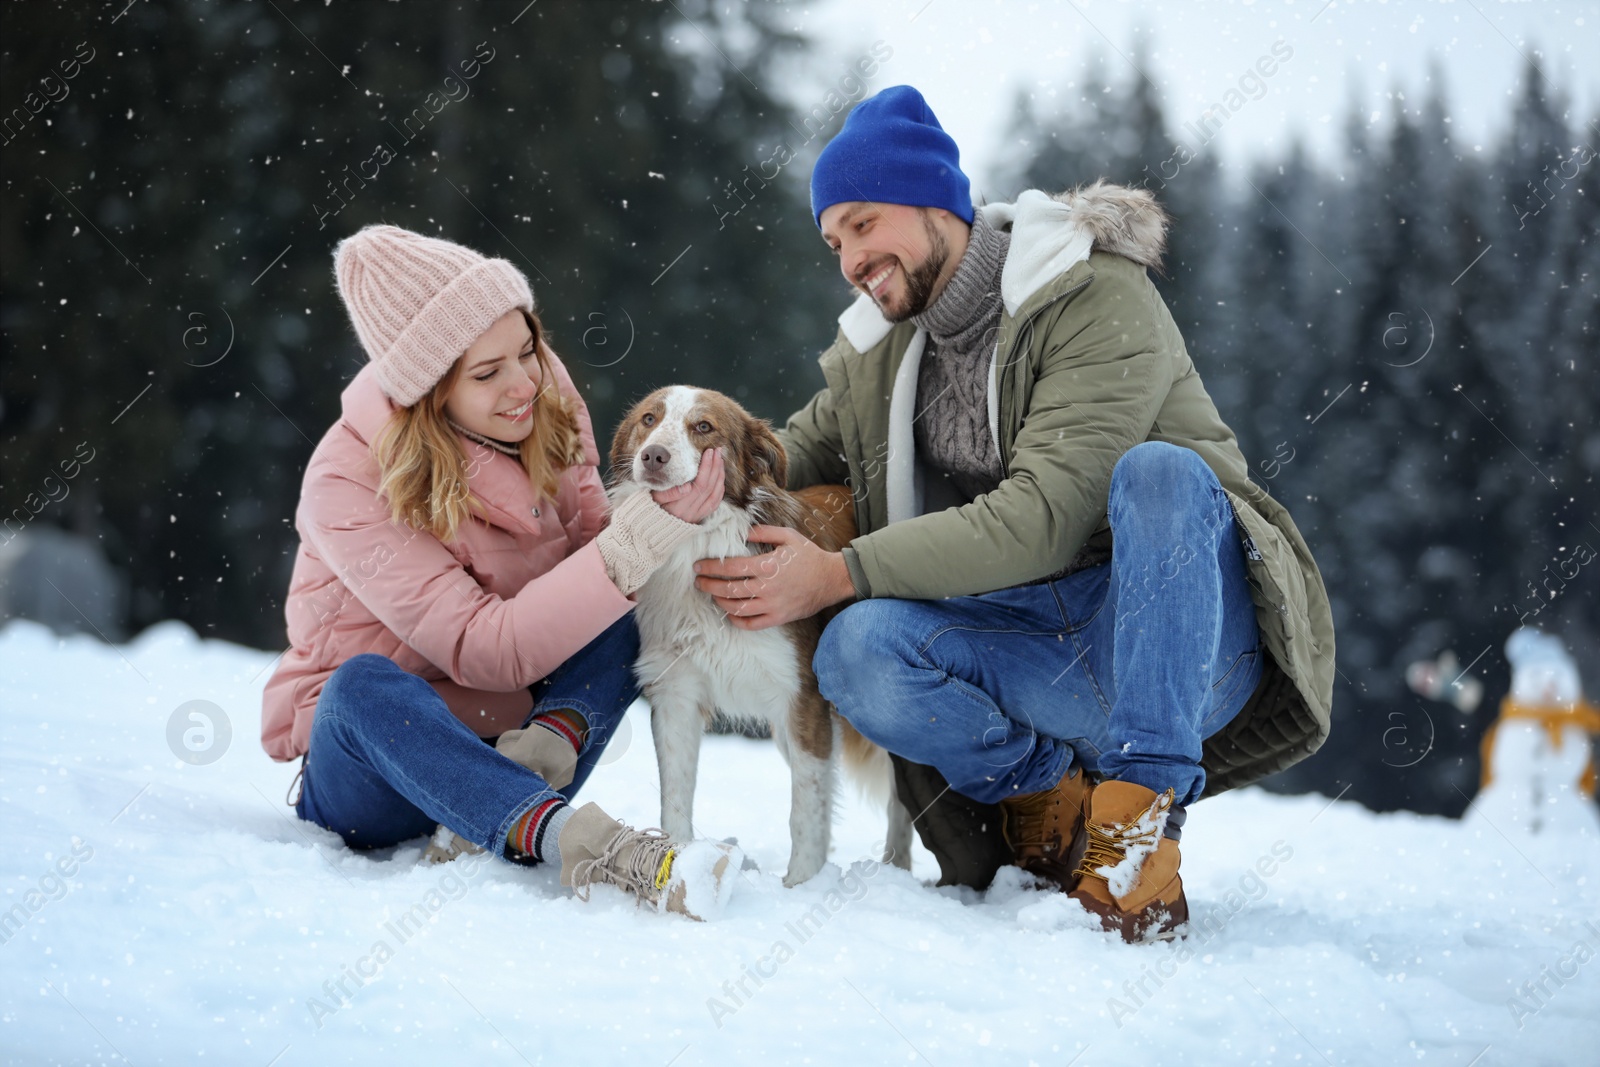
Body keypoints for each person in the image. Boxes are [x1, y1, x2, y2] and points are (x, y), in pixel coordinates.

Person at [692, 86, 1336, 941]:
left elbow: (1043, 516)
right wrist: (661, 476)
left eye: (863, 222)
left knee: (1162, 476)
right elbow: (768, 457)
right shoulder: (876, 359)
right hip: (1035, 654)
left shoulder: (1093, 294)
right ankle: (1053, 802)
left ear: (933, 203)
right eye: (833, 239)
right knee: (857, 648)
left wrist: (839, 571)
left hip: (1180, 633)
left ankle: (1140, 832)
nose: (848, 257)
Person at [260, 225, 738, 920]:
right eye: (487, 373)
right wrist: (637, 543)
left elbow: (594, 563)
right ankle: (588, 843)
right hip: (378, 766)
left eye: (528, 348)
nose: (524, 383)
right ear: (427, 392)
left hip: (512, 733)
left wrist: (671, 531)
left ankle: (505, 795)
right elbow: (484, 647)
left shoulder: (544, 401)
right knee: (358, 686)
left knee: (630, 604)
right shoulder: (345, 480)